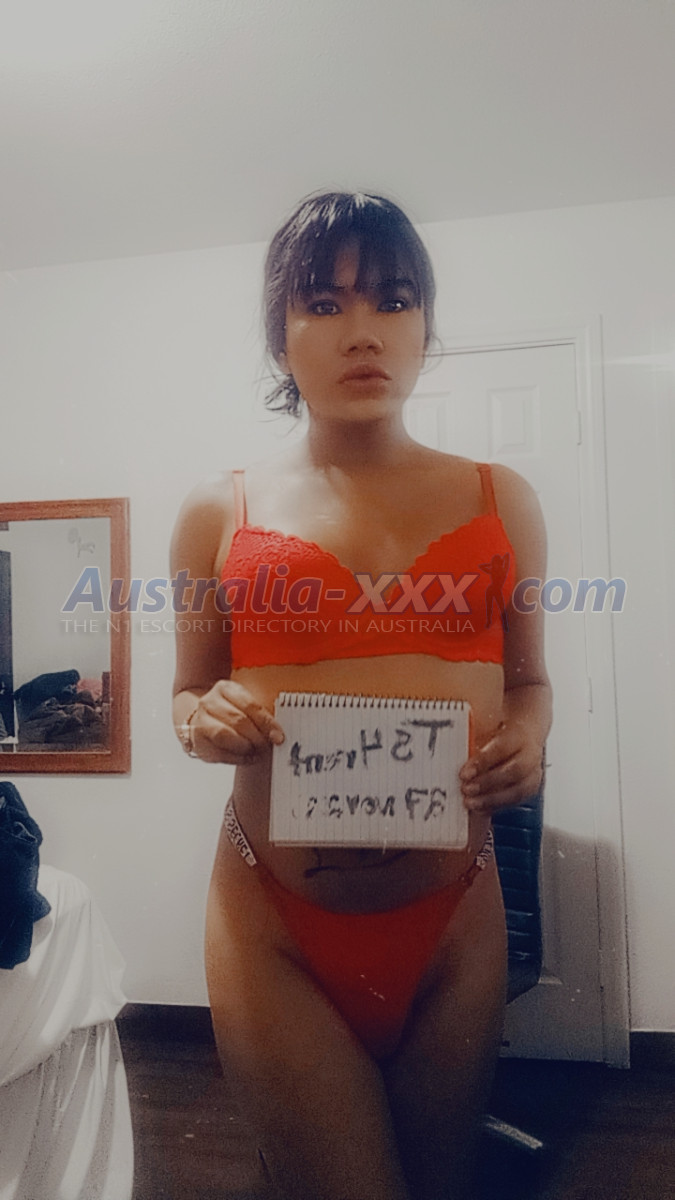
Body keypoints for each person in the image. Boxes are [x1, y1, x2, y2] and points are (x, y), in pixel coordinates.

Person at [171, 191, 551, 1200]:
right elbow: (187, 694)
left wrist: (530, 735)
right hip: (273, 927)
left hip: (456, 922)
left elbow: (529, 681)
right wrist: (202, 718)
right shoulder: (218, 508)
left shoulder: (500, 498)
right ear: (279, 334)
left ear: (425, 325)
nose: (364, 330)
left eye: (392, 298)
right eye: (323, 303)